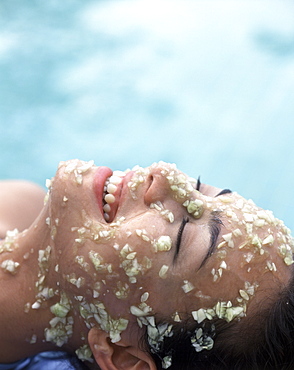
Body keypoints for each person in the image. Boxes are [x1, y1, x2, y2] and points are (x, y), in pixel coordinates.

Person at [0, 159, 293, 370]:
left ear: (122, 356)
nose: (165, 173)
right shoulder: (23, 203)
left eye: (181, 235)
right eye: (202, 189)